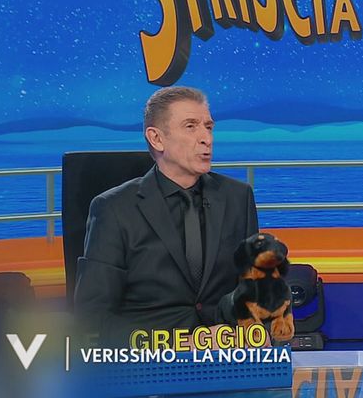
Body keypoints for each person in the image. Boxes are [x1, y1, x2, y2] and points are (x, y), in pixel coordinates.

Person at [74, 86, 259, 346]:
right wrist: (185, 343)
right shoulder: (114, 209)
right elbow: (94, 319)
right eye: (191, 126)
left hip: (229, 355)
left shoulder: (238, 197)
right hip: (150, 362)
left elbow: (254, 289)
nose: (206, 138)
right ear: (156, 138)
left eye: (208, 127)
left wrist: (255, 332)